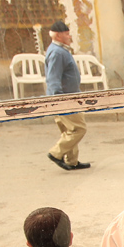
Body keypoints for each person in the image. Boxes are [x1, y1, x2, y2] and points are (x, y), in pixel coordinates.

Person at [45, 20, 89, 171]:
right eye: (66, 34)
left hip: (65, 96)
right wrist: (59, 98)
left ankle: (72, 161)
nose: (69, 36)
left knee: (68, 130)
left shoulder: (59, 50)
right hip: (65, 98)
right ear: (58, 35)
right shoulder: (57, 52)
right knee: (78, 129)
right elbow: (53, 77)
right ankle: (56, 153)